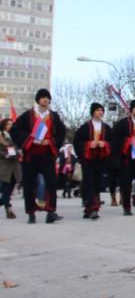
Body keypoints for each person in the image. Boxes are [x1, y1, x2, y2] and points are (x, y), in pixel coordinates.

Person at [10, 88, 66, 224]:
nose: (45, 100)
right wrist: (31, 139)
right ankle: (31, 213)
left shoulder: (54, 116)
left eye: (47, 98)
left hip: (47, 156)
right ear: (38, 100)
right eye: (42, 97)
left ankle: (51, 212)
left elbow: (61, 132)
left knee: (51, 184)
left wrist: (51, 141)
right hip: (31, 156)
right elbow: (15, 130)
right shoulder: (28, 115)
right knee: (29, 184)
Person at [73, 103, 112, 220]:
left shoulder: (107, 128)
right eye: (97, 110)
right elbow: (77, 142)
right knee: (90, 182)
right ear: (92, 112)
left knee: (97, 183)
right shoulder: (84, 127)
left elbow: (113, 143)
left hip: (100, 160)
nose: (100, 112)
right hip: (88, 160)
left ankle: (89, 208)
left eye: (102, 110)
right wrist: (89, 145)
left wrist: (104, 144)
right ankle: (93, 208)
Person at [0, 118, 21, 219]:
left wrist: (18, 152)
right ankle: (9, 210)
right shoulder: (1, 136)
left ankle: (8, 209)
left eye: (11, 124)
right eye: (8, 124)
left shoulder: (15, 136)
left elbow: (18, 148)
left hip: (15, 166)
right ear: (4, 125)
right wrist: (5, 155)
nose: (10, 126)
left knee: (8, 191)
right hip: (5, 166)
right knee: (6, 190)